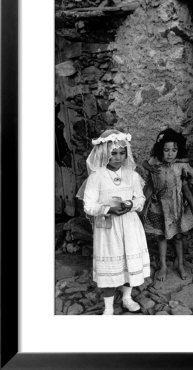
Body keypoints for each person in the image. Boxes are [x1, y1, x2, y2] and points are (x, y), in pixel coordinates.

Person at [76, 129, 150, 315]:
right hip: (108, 227)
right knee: (110, 265)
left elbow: (140, 199)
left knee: (128, 262)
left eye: (121, 153)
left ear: (127, 153)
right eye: (113, 153)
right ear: (104, 153)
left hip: (130, 225)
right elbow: (89, 205)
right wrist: (108, 209)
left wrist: (130, 204)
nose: (118, 157)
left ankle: (126, 297)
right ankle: (108, 307)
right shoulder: (96, 177)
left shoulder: (132, 175)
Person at [142, 128, 193, 281]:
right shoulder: (155, 164)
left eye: (174, 150)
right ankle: (163, 266)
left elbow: (185, 187)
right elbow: (149, 182)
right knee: (162, 236)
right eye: (166, 150)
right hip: (159, 206)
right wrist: (142, 204)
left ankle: (180, 264)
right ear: (161, 150)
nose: (170, 153)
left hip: (176, 207)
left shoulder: (181, 166)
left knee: (178, 237)